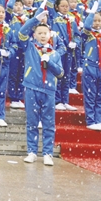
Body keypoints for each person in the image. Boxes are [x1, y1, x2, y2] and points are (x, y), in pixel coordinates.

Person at [19, 11, 64, 166]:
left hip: (49, 91)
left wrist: (50, 62)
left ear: (50, 34)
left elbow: (60, 73)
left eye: (45, 33)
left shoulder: (55, 53)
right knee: (32, 121)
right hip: (32, 88)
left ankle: (47, 153)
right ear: (35, 34)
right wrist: (35, 20)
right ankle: (32, 151)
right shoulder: (29, 47)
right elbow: (22, 33)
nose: (43, 36)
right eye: (40, 33)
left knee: (48, 123)